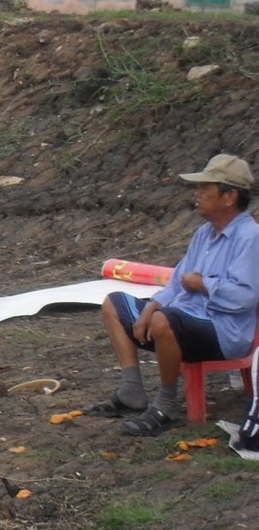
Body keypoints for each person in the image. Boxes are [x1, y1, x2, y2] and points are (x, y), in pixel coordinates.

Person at [85, 154, 259, 436]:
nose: (197, 193)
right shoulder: (204, 234)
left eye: (205, 188)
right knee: (114, 303)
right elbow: (177, 283)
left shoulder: (250, 238)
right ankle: (131, 390)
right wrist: (151, 307)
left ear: (229, 197)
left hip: (222, 330)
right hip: (182, 319)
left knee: (165, 320)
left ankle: (166, 404)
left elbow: (246, 297)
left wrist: (204, 284)